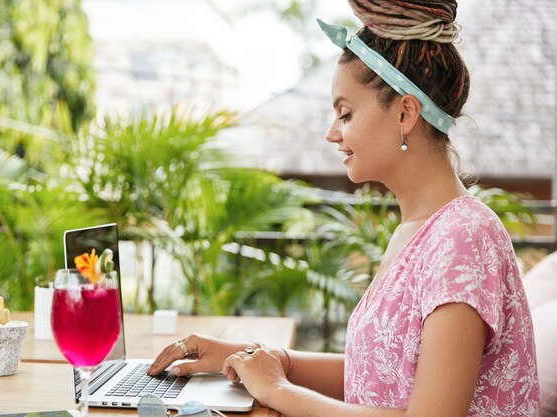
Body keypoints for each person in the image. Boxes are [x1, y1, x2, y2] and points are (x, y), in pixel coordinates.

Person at [148, 1, 541, 416]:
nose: (332, 133)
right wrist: (265, 358)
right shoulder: (423, 228)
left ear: (405, 112)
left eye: (346, 113)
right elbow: (380, 375)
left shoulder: (463, 237)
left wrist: (278, 391)